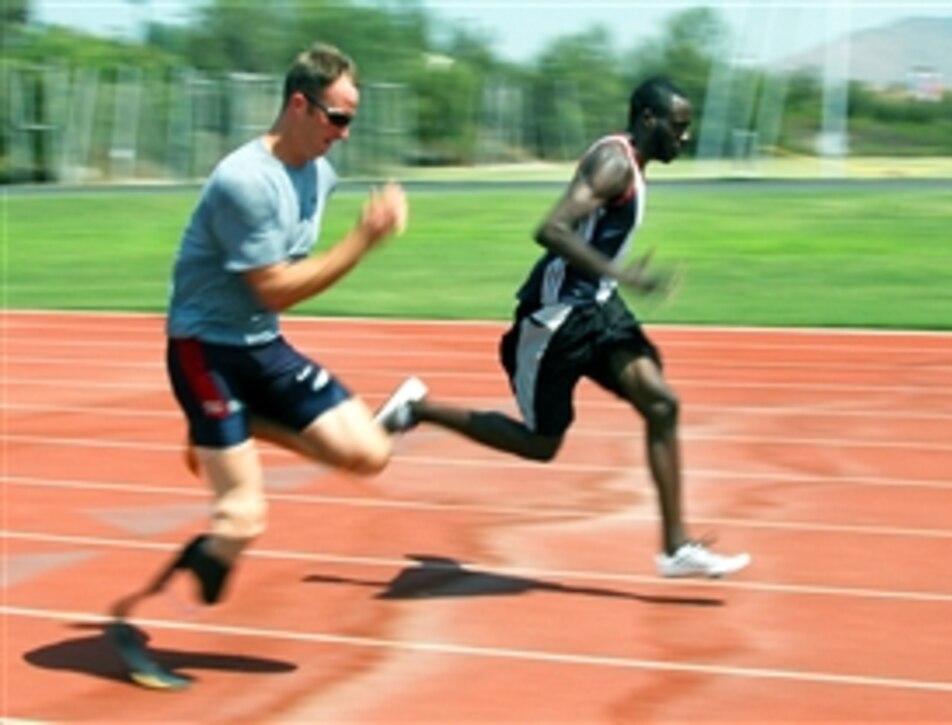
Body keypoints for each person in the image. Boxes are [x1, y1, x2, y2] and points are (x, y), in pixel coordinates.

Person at [108, 43, 426, 633]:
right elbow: (274, 289)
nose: (346, 133)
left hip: (261, 346)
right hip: (206, 351)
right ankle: (142, 622)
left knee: (372, 453)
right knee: (242, 520)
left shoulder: (321, 175)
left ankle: (244, 423)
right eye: (338, 118)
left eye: (352, 119)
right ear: (300, 106)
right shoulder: (243, 181)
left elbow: (273, 301)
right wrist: (362, 240)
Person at [382, 77, 751, 579]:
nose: (684, 138)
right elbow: (550, 229)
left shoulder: (631, 165)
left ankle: (675, 547)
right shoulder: (615, 162)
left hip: (599, 309)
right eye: (678, 127)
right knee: (542, 443)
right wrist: (622, 272)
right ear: (648, 119)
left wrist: (613, 282)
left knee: (661, 403)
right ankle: (415, 408)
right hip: (557, 320)